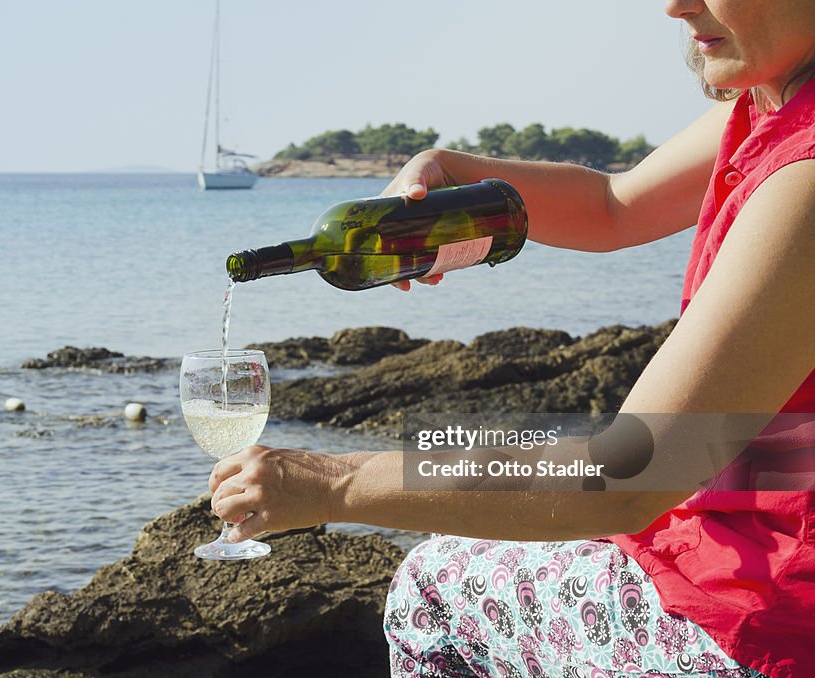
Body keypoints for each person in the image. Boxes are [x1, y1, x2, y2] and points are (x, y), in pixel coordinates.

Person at [209, 1, 815, 675]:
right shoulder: (768, 103)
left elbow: (629, 474)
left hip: (770, 620)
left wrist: (335, 482)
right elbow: (612, 206)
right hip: (734, 546)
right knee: (467, 527)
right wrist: (452, 170)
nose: (675, 5)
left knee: (431, 588)